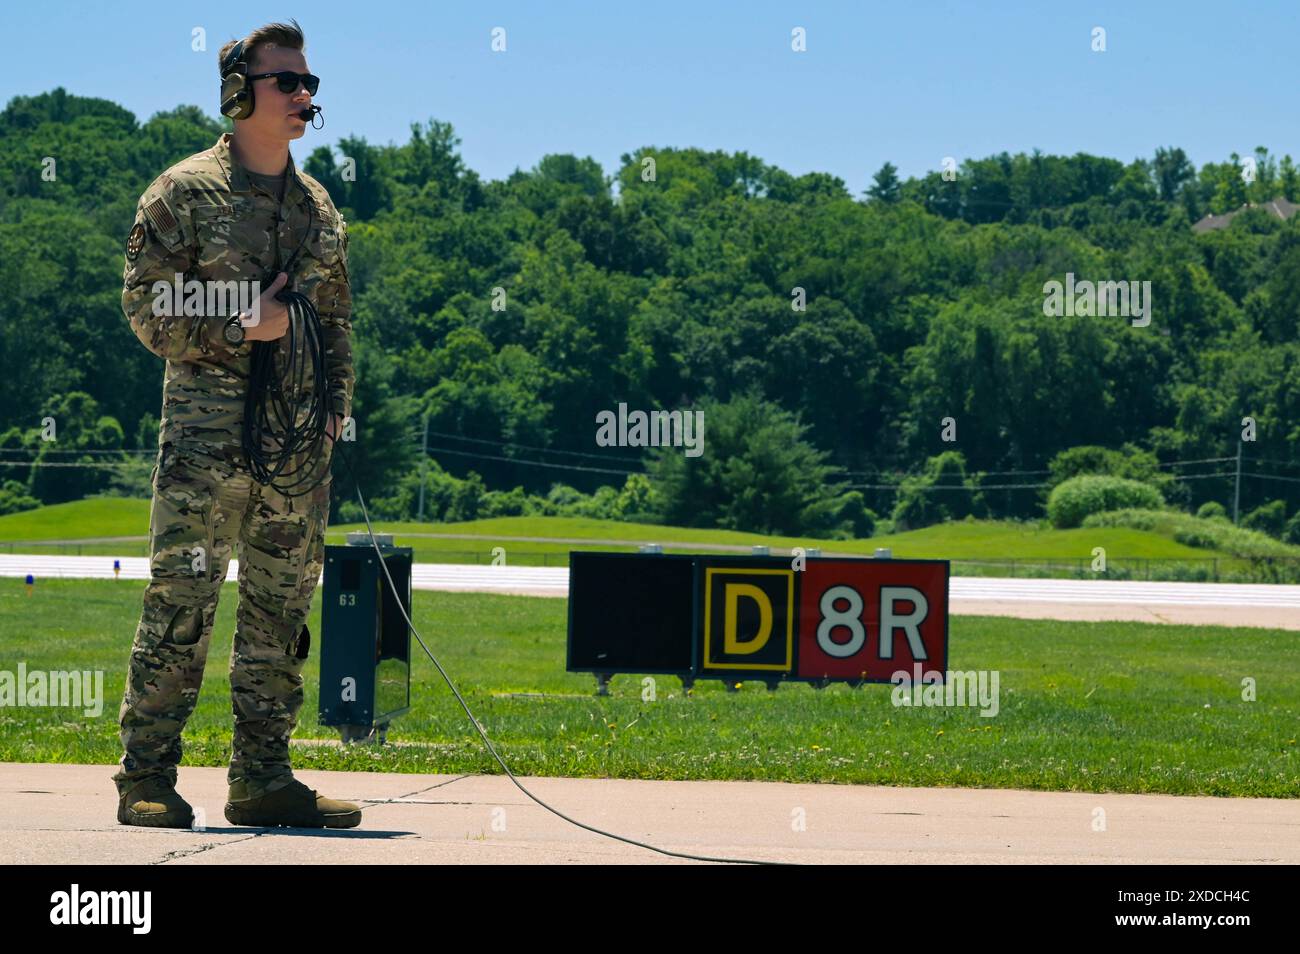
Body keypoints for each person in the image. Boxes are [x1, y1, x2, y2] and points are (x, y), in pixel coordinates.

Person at [113, 19, 361, 829]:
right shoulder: (182, 193)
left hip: (294, 455)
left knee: (279, 614)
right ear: (236, 92)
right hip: (203, 448)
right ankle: (146, 778)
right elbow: (146, 306)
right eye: (287, 81)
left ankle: (262, 778)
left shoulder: (317, 207)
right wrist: (239, 322)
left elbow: (335, 323)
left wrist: (333, 417)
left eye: (308, 83)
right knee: (180, 608)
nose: (303, 96)